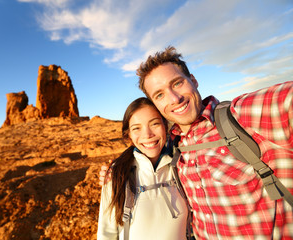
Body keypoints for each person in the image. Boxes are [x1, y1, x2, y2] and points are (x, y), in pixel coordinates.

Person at [100, 46, 293, 239]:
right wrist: (117, 173)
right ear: (157, 106)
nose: (174, 99)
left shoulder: (242, 116)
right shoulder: (175, 149)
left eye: (177, 83)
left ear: (193, 80)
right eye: (159, 95)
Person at [97, 97, 190, 240]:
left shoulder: (182, 165)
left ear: (165, 126)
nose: (147, 134)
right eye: (137, 128)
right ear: (128, 135)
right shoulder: (117, 174)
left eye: (155, 124)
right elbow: (106, 234)